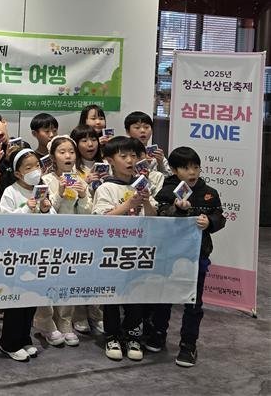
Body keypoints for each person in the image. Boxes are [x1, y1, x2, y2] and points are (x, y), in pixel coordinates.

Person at [148, 146, 225, 367]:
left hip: (197, 256)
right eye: (185, 168)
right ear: (174, 170)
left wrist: (210, 222)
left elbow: (219, 216)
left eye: (195, 167)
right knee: (164, 297)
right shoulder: (166, 191)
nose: (192, 172)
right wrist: (178, 210)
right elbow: (160, 216)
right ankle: (158, 334)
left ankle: (188, 345)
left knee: (194, 303)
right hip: (168, 256)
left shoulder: (209, 192)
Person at [92, 136, 157, 362]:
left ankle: (133, 336)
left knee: (136, 295)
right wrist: (129, 204)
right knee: (112, 295)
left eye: (133, 155)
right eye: (123, 156)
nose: (130, 160)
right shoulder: (106, 188)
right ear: (110, 160)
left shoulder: (142, 184)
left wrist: (146, 201)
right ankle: (112, 336)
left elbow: (154, 217)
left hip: (138, 251)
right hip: (113, 252)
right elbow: (101, 219)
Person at [35, 136, 92, 347]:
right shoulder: (46, 180)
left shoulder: (80, 179)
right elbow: (46, 211)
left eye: (71, 152)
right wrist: (58, 193)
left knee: (69, 281)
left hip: (74, 238)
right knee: (48, 281)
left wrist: (84, 195)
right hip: (50, 239)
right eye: (62, 152)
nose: (68, 156)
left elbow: (88, 213)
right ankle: (46, 322)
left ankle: (66, 322)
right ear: (53, 157)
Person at [0, 148, 54, 362]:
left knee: (31, 299)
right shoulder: (10, 192)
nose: (35, 171)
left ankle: (24, 338)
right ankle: (9, 342)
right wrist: (26, 209)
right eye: (28, 167)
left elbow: (53, 222)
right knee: (16, 301)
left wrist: (45, 209)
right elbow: (4, 221)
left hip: (37, 253)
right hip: (17, 254)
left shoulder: (42, 190)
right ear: (18, 173)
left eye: (37, 166)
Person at [69, 125, 106, 334]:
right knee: (78, 270)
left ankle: (97, 314)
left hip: (102, 226)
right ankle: (79, 314)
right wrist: (83, 181)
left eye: (93, 139)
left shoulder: (107, 164)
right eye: (84, 140)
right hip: (79, 226)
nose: (90, 144)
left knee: (97, 272)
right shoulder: (72, 168)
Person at [124, 111, 172, 176]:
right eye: (137, 127)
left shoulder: (156, 154)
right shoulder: (122, 153)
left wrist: (160, 163)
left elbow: (167, 177)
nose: (143, 131)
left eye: (146, 127)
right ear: (127, 131)